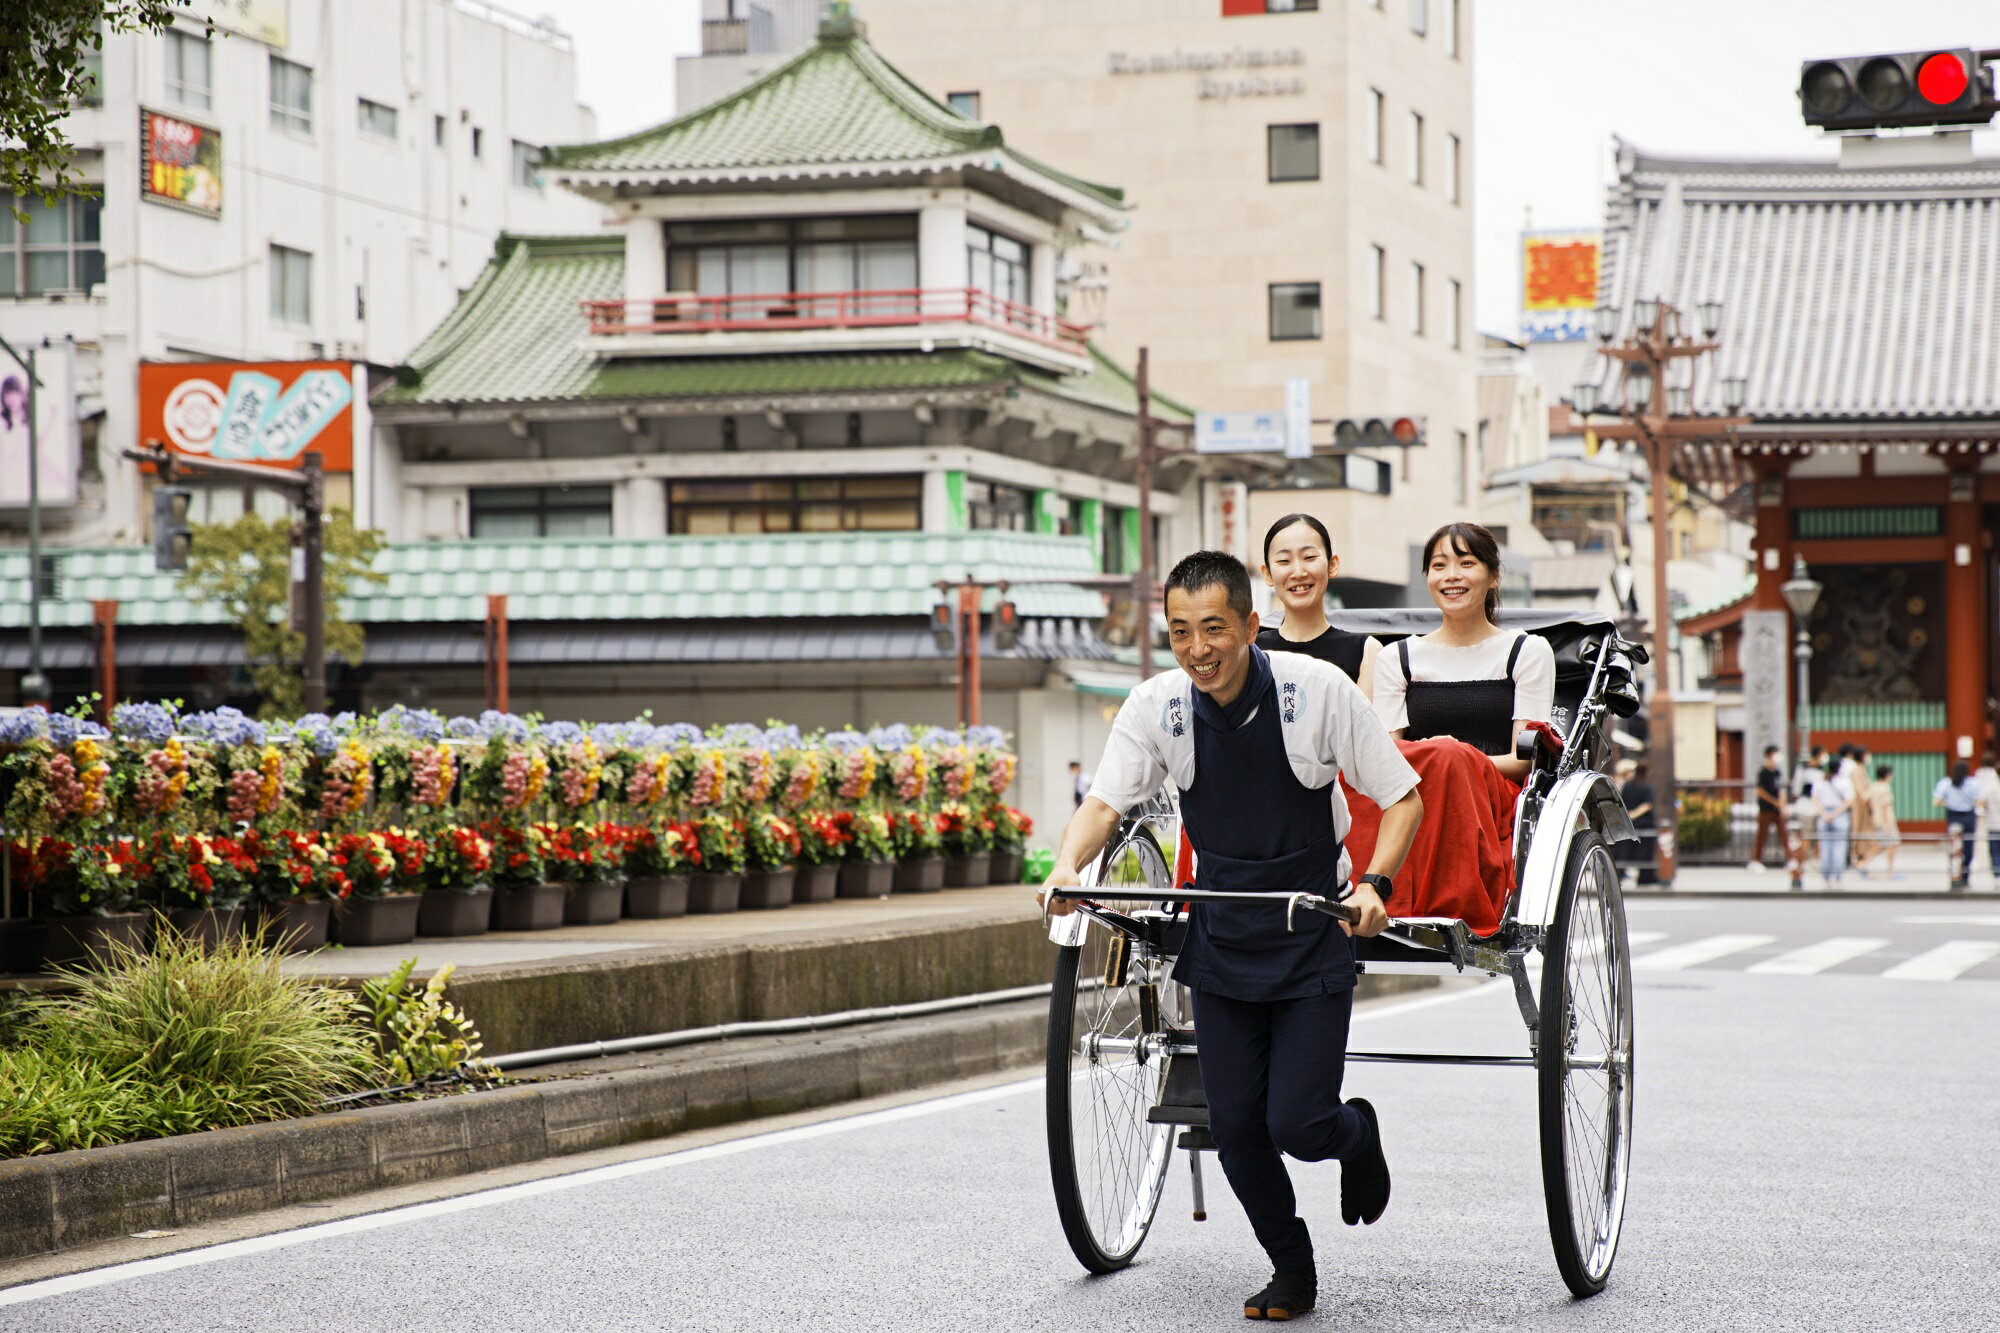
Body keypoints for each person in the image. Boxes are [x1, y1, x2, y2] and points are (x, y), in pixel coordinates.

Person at [1041, 550, 1422, 1322]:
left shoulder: (1315, 693)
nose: (1197, 648)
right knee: (1236, 1125)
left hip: (1310, 923)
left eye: (1214, 628)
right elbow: (1106, 803)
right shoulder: (1158, 706)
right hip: (1219, 931)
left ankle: (1357, 1134)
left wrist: (1375, 884)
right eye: (1180, 631)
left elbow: (1402, 796)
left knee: (1300, 1122)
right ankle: (1292, 1263)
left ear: (1253, 624)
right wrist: (1064, 864)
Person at [1373, 521, 1556, 784]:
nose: (1451, 575)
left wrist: (1453, 756)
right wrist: (1442, 757)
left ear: (1494, 576)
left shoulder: (1527, 651)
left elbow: (1523, 760)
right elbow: (1386, 757)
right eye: (1439, 565)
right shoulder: (1396, 658)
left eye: (1466, 563)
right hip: (1420, 797)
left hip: (1494, 799)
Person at [1255, 512, 1381, 696]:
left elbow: (1369, 724)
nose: (1298, 572)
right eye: (1284, 561)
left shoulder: (1367, 652)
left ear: (1332, 564)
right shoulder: (1250, 653)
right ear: (1267, 574)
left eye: (1309, 557)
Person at [1934, 761, 1981, 892]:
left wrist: (1949, 803)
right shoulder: (1972, 783)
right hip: (1968, 817)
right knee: (1968, 848)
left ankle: (1955, 878)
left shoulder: (1946, 783)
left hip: (1954, 816)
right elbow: (1978, 801)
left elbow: (1936, 801)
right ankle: (1966, 877)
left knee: (1954, 849)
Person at [1854, 763, 1901, 879]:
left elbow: (1865, 798)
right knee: (1889, 844)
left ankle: (1864, 863)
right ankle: (1886, 869)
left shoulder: (1873, 786)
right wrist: (1887, 825)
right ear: (1888, 775)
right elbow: (1886, 807)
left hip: (1876, 819)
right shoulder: (1885, 788)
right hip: (1886, 821)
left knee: (1884, 844)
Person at [1812, 756, 1853, 887]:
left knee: (1825, 847)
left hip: (1824, 815)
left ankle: (1826, 877)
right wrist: (1835, 814)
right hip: (1839, 815)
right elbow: (1848, 801)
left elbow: (1815, 798)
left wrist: (1824, 814)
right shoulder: (1844, 782)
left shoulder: (1820, 781)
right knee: (1839, 847)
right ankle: (1838, 876)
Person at [1750, 745, 1787, 872]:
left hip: (1777, 810)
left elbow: (1781, 789)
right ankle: (1755, 861)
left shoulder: (1777, 772)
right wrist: (1774, 802)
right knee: (1761, 835)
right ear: (1770, 755)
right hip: (1765, 809)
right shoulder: (1763, 772)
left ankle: (1790, 860)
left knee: (1784, 834)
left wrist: (1782, 805)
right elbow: (1760, 791)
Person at [1975, 751, 2000, 885]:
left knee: (1994, 849)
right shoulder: (1992, 779)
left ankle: (1997, 875)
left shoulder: (1981, 775)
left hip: (1992, 821)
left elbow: (1981, 799)